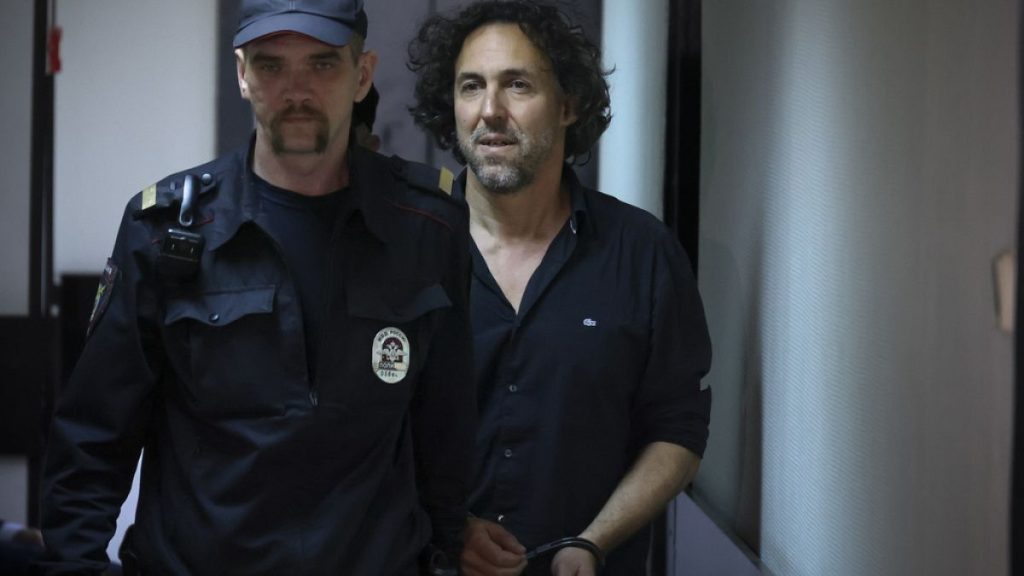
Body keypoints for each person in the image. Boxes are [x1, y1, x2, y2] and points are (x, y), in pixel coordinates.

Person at [36, 1, 474, 574]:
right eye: (271, 66)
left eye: (321, 64)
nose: (296, 90)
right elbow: (92, 443)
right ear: (242, 73)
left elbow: (446, 438)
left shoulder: (428, 227)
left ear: (362, 74)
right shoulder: (163, 230)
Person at [408, 2, 712, 575]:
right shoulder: (406, 253)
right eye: (471, 87)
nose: (490, 111)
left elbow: (677, 430)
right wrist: (448, 525)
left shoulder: (642, 253)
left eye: (517, 85)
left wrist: (594, 540)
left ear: (569, 105)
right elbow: (365, 432)